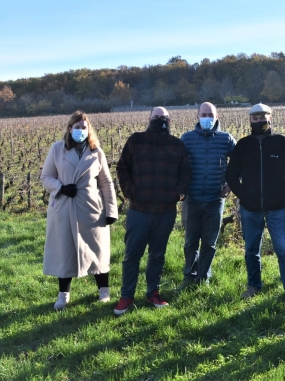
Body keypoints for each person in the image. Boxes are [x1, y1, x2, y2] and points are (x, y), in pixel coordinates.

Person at [225, 103, 285, 317]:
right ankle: (254, 285)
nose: (259, 121)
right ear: (250, 120)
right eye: (255, 118)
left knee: (284, 251)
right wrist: (243, 194)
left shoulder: (281, 143)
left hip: (277, 208)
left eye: (263, 117)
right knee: (251, 249)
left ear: (271, 119)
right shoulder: (243, 145)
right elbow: (231, 173)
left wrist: (283, 193)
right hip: (250, 209)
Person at [114, 106, 191, 315]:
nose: (160, 120)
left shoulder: (177, 145)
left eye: (164, 117)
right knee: (132, 255)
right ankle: (126, 296)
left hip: (166, 211)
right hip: (139, 210)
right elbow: (122, 168)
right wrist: (130, 191)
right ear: (149, 119)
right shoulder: (136, 141)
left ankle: (153, 292)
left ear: (169, 120)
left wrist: (178, 193)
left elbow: (185, 172)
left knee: (157, 254)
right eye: (156, 117)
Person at [41, 111, 118, 310]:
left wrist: (111, 210)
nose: (81, 131)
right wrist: (60, 187)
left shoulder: (96, 151)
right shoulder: (57, 149)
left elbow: (106, 183)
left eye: (84, 127)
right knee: (64, 250)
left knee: (98, 250)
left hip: (91, 209)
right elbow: (46, 177)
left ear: (88, 129)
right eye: (77, 127)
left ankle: (104, 291)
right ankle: (63, 295)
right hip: (65, 208)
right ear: (70, 129)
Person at [177, 102, 236, 290]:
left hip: (215, 199)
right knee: (190, 241)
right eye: (204, 114)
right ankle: (189, 276)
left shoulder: (226, 139)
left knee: (209, 243)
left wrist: (233, 181)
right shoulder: (187, 139)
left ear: (216, 117)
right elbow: (176, 164)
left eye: (210, 115)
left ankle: (203, 278)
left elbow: (240, 159)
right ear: (197, 117)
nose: (207, 118)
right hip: (192, 198)